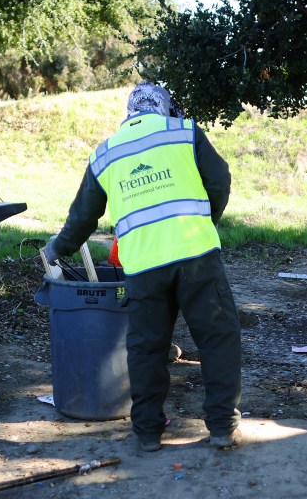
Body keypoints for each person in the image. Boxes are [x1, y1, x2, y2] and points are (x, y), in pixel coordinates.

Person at [44, 81, 242, 452]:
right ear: (164, 106)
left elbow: (83, 216)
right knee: (218, 338)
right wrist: (205, 220)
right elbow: (220, 180)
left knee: (146, 349)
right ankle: (221, 427)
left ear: (130, 112)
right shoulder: (184, 131)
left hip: (143, 265)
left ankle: (148, 433)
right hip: (196, 254)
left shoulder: (105, 153)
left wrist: (58, 247)